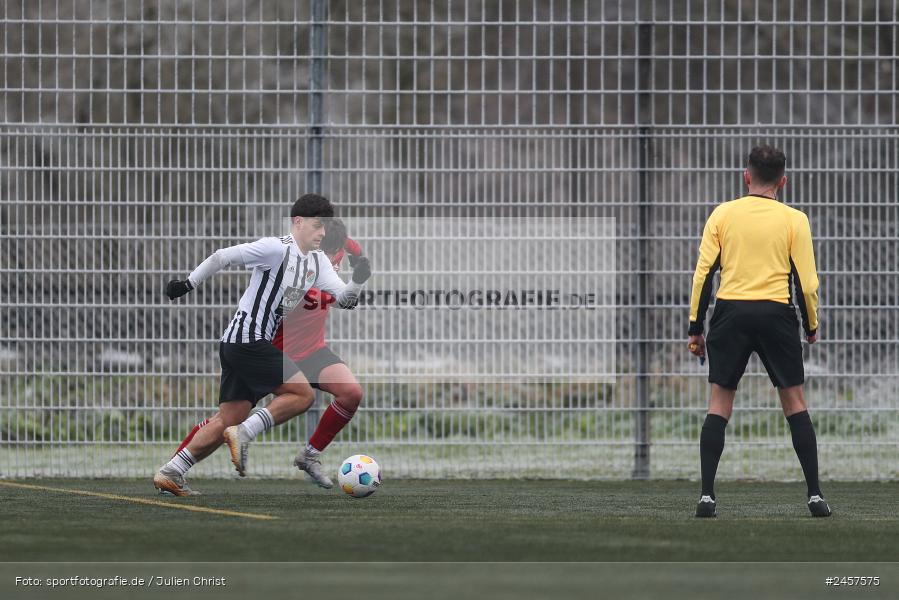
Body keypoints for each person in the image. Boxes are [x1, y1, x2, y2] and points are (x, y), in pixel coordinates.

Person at [153, 194, 371, 496]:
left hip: (242, 344)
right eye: (317, 226)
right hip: (247, 340)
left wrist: (358, 280)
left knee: (228, 418)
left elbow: (346, 300)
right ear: (298, 222)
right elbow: (222, 256)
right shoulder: (275, 248)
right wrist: (188, 283)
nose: (322, 233)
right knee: (302, 395)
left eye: (325, 228)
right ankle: (244, 434)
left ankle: (172, 471)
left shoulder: (318, 262)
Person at [688, 145, 831, 518]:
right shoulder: (794, 220)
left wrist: (695, 327)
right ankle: (815, 495)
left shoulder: (722, 214)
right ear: (783, 181)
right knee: (795, 403)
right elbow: (807, 282)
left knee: (719, 404)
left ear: (746, 177)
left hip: (730, 312)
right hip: (776, 314)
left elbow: (704, 276)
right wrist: (811, 324)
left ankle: (707, 496)